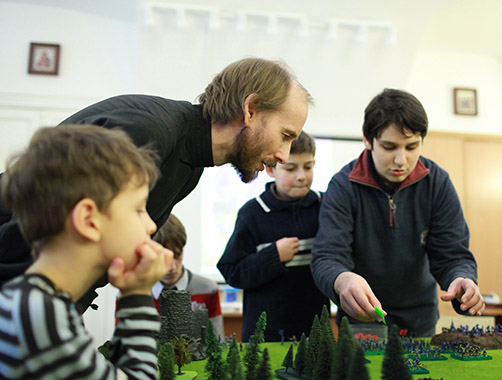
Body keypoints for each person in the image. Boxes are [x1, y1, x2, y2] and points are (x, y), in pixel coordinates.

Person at [0, 57, 312, 312]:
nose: (284, 155)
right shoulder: (150, 133)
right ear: (251, 109)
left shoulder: (191, 168)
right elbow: (32, 240)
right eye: (285, 135)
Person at [0, 125, 173, 379]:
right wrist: (137, 294)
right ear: (89, 220)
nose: (151, 225)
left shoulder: (42, 302)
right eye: (138, 209)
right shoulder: (38, 314)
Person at [311, 89, 485, 337]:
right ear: (367, 140)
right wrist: (343, 279)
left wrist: (462, 278)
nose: (401, 160)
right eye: (389, 147)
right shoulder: (343, 186)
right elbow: (327, 257)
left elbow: (452, 254)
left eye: (412, 146)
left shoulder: (437, 183)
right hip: (361, 319)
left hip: (420, 320)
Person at [217, 131, 330, 342]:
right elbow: (231, 270)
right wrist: (273, 256)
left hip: (314, 331)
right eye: (290, 168)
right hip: (265, 335)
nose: (301, 176)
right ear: (270, 169)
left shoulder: (325, 206)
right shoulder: (252, 213)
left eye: (308, 167)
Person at [150, 214, 224, 339]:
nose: (172, 267)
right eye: (163, 258)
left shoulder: (207, 289)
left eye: (177, 255)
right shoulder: (132, 294)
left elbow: (218, 341)